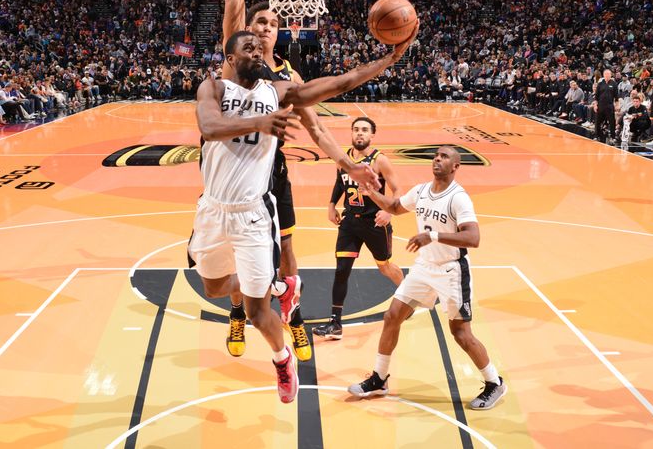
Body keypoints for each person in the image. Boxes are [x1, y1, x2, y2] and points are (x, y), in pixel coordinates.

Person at [189, 28, 415, 404]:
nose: (259, 51)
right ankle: (278, 286)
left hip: (253, 214)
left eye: (261, 48)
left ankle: (281, 360)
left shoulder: (279, 92)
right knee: (213, 288)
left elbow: (338, 83)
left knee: (258, 312)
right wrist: (258, 124)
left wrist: (388, 60)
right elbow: (209, 127)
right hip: (212, 210)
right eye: (249, 47)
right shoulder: (213, 89)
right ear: (230, 59)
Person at [220, 0, 380, 362]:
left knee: (287, 248)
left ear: (279, 33)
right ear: (247, 31)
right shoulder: (234, 64)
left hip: (272, 174)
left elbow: (319, 130)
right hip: (230, 175)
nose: (267, 28)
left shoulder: (291, 78)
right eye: (260, 22)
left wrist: (350, 167)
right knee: (238, 256)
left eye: (274, 24)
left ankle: (292, 316)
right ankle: (239, 311)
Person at [347, 146, 507, 411]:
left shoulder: (458, 198)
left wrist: (432, 237)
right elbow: (395, 207)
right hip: (424, 266)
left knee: (461, 334)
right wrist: (371, 193)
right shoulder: (422, 191)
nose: (437, 159)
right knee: (392, 316)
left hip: (451, 270)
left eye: (444, 157)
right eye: (436, 156)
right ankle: (379, 378)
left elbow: (473, 237)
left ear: (455, 166)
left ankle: (494, 382)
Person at [313, 116, 404, 340]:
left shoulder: (379, 160)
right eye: (356, 130)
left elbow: (398, 189)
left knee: (385, 267)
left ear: (372, 135)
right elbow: (339, 183)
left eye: (364, 130)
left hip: (375, 223)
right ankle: (335, 323)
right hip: (350, 222)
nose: (359, 133)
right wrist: (332, 205)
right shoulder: (344, 159)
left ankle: (407, 296)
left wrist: (389, 211)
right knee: (342, 270)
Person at [593, 69, 618, 144]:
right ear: (603, 75)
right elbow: (596, 96)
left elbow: (616, 97)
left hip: (610, 107)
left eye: (608, 74)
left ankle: (613, 137)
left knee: (612, 122)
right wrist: (595, 105)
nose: (607, 75)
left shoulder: (614, 84)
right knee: (597, 122)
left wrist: (617, 106)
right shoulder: (600, 84)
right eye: (606, 74)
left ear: (611, 75)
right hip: (600, 106)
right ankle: (596, 136)